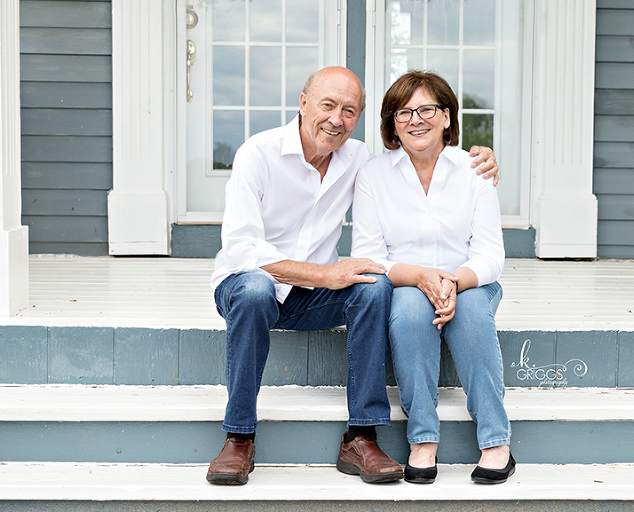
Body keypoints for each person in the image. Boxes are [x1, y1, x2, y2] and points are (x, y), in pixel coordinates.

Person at [206, 66, 499, 485]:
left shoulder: (359, 158)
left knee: (373, 283)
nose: (336, 119)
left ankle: (361, 435)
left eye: (349, 111)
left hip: (313, 297)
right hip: (251, 288)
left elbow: (424, 157)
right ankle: (239, 437)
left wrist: (483, 158)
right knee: (254, 290)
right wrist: (325, 274)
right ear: (303, 103)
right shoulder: (259, 152)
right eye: (327, 105)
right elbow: (242, 250)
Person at [351, 70, 514, 484]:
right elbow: (367, 256)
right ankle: (423, 438)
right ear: (391, 124)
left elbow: (492, 254)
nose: (415, 119)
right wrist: (421, 277)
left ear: (446, 117)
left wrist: (454, 283)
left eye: (427, 109)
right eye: (403, 112)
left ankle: (496, 441)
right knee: (406, 312)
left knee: (473, 313)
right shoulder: (373, 175)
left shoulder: (474, 169)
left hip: (470, 281)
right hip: (406, 283)